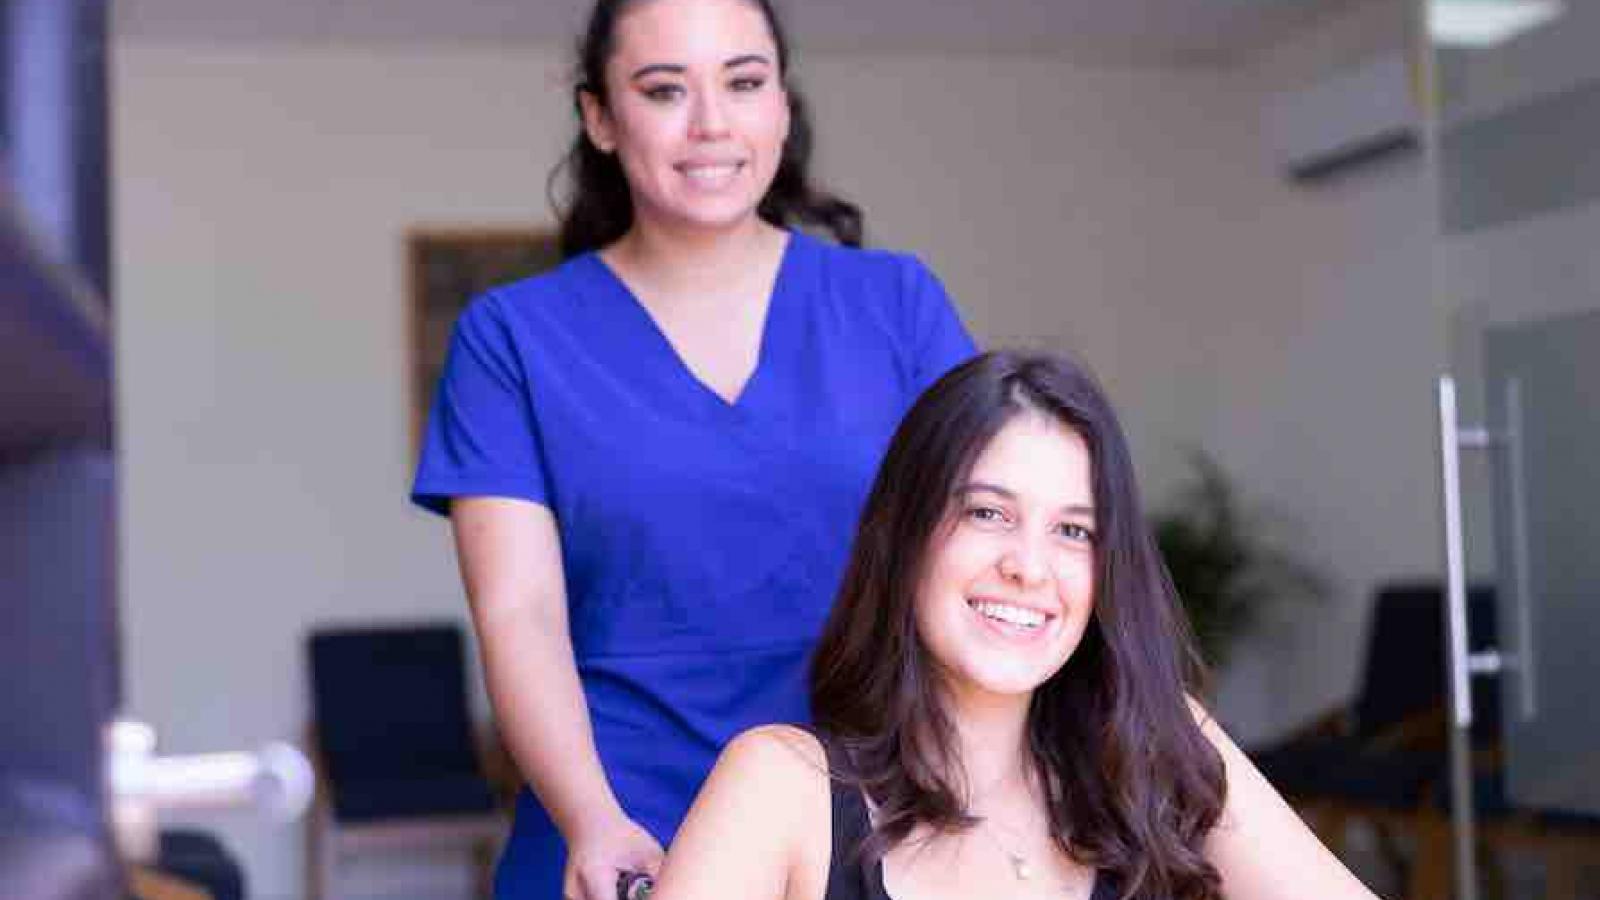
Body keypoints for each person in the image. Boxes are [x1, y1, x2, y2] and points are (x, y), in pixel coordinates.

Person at [409, 0, 975, 895]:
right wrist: (591, 819)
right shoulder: (510, 338)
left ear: (782, 107)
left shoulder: (898, 306)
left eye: (743, 82)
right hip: (615, 831)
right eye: (665, 89)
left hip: (862, 823)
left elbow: (978, 560)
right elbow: (519, 614)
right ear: (600, 117)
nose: (711, 123)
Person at [646, 350, 1383, 900]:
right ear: (902, 538)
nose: (1029, 567)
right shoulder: (782, 784)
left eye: (1074, 531)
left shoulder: (1161, 747)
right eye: (988, 513)